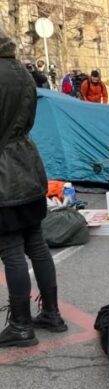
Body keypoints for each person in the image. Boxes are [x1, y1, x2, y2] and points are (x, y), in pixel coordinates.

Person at [0, 24, 68, 347]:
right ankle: (52, 313)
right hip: (27, 162)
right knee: (36, 242)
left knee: (11, 248)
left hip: (4, 173)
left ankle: (21, 325)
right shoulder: (23, 72)